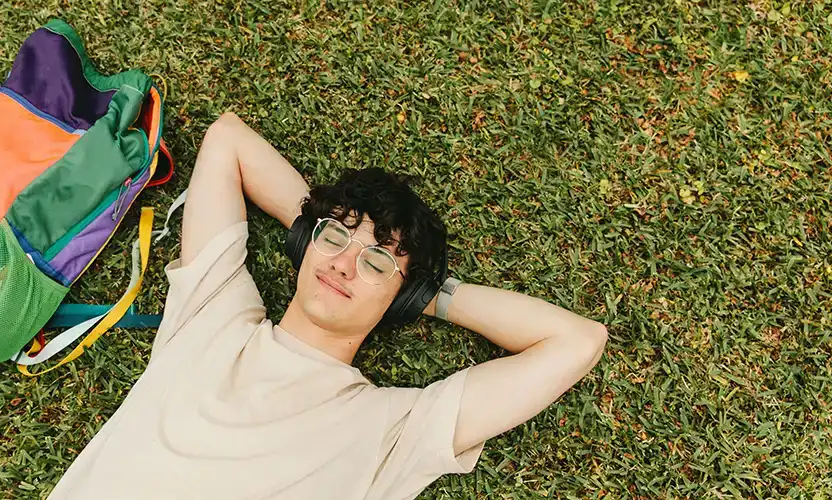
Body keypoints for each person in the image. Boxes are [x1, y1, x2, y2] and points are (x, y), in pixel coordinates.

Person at [48, 113, 608, 500]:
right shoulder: (214, 314)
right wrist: (323, 222)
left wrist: (425, 294)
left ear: (402, 296)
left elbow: (577, 341)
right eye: (336, 239)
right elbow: (227, 142)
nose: (344, 264)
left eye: (376, 264)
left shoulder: (392, 428)